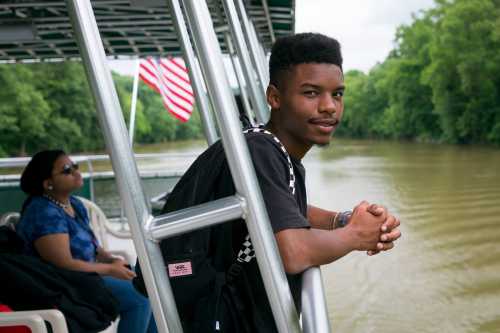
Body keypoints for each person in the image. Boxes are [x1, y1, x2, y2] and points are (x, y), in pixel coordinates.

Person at [139, 33, 402, 332]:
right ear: (274, 97)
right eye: (311, 93)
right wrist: (356, 235)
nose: (329, 106)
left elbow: (278, 205)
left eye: (337, 94)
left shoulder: (272, 149)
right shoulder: (262, 151)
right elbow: (294, 252)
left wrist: (338, 221)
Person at [15, 150, 157, 333]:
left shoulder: (73, 203)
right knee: (139, 298)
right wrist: (110, 269)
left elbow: (93, 246)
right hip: (62, 284)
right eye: (67, 170)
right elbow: (62, 265)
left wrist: (111, 260)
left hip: (86, 276)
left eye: (75, 166)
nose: (76, 171)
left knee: (150, 288)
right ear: (48, 183)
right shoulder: (43, 212)